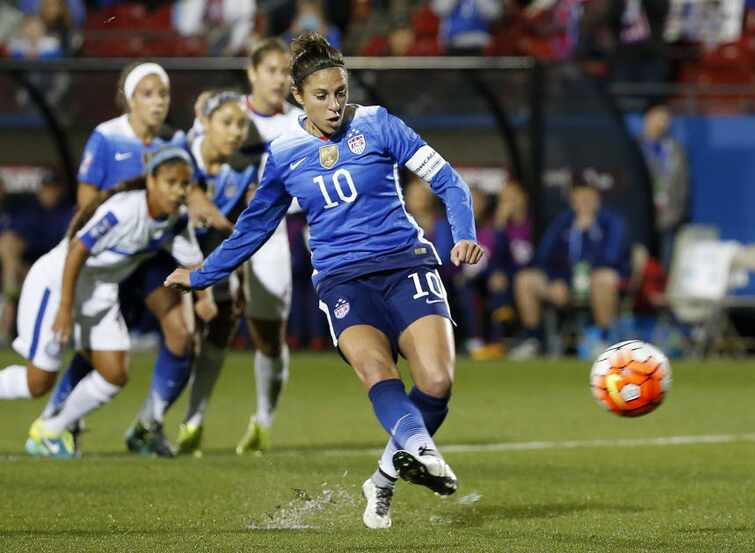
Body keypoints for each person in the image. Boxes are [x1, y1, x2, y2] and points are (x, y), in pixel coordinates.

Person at [164, 32, 483, 529]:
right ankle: (421, 451)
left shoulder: (379, 125)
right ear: (298, 97)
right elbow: (254, 227)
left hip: (406, 264)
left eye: (340, 92)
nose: (334, 106)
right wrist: (204, 273)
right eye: (321, 96)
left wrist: (462, 234)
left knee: (437, 382)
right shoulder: (285, 154)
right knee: (378, 371)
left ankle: (382, 479)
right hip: (342, 280)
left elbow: (448, 181)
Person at [39, 61, 229, 457]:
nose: (157, 102)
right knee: (96, 350)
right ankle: (59, 415)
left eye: (163, 94)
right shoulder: (106, 138)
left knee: (182, 334)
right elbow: (86, 203)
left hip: (151, 255)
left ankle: (149, 424)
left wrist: (217, 218)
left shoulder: (172, 142)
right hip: (109, 256)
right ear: (129, 98)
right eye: (147, 93)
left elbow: (190, 194)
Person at [0, 148, 215, 458]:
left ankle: (50, 432)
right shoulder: (123, 210)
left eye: (185, 185)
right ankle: (49, 427)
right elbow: (76, 251)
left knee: (114, 374)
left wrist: (205, 298)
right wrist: (64, 309)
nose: (179, 191)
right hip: (57, 284)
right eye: (171, 182)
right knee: (37, 383)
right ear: (152, 181)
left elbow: (194, 263)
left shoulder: (176, 221)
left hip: (99, 291)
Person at [177, 38, 304, 457]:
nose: (280, 79)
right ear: (252, 73)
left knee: (269, 334)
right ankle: (191, 421)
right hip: (220, 232)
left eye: (287, 71)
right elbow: (189, 162)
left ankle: (263, 423)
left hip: (270, 235)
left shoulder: (302, 123)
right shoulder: (226, 115)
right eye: (272, 70)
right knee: (215, 325)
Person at [509, 179, 629, 360]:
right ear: (572, 200)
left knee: (604, 278)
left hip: (598, 283)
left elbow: (612, 258)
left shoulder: (612, 222)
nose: (584, 203)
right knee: (525, 279)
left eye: (588, 198)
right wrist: (555, 281)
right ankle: (533, 340)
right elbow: (543, 257)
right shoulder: (564, 222)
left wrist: (587, 235)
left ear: (597, 199)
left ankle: (603, 341)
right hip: (566, 283)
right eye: (579, 198)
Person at [0, 175, 74, 345]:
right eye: (45, 189)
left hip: (58, 266)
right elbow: (17, 239)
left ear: (59, 190)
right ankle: (4, 333)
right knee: (9, 246)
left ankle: (64, 334)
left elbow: (66, 244)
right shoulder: (31, 211)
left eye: (52, 189)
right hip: (29, 267)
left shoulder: (67, 211)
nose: (48, 193)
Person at [639, 104, 688, 269]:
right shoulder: (636, 147)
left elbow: (683, 184)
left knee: (666, 266)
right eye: (659, 117)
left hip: (669, 217)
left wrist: (679, 213)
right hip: (643, 216)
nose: (663, 122)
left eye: (666, 118)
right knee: (641, 264)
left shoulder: (675, 149)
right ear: (647, 118)